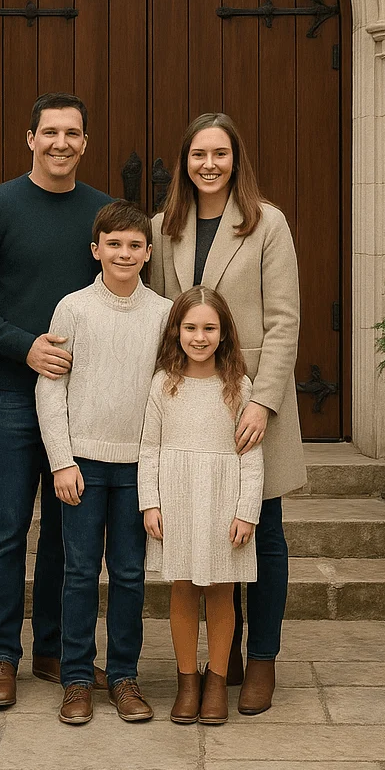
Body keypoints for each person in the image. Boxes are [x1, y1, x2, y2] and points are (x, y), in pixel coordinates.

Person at [0, 93, 112, 711]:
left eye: (72, 133)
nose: (61, 143)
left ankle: (55, 651)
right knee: (8, 526)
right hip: (14, 393)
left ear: (85, 142)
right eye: (50, 133)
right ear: (30, 138)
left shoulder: (101, 215)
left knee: (69, 534)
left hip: (81, 403)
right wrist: (25, 348)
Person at [149, 112, 305, 717]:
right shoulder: (166, 227)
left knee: (260, 527)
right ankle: (223, 656)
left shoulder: (267, 223)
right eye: (197, 155)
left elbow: (284, 319)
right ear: (184, 162)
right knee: (206, 529)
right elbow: (163, 315)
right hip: (191, 402)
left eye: (219, 154)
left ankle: (261, 657)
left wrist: (264, 401)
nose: (208, 165)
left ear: (236, 159)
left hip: (250, 400)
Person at [35, 200, 172, 726]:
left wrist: (158, 472)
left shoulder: (162, 314)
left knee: (130, 573)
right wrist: (62, 461)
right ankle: (76, 677)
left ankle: (123, 676)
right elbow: (52, 388)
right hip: (84, 467)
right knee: (78, 572)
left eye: (134, 245)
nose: (123, 253)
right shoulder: (73, 309)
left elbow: (168, 392)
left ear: (148, 253)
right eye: (113, 244)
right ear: (96, 250)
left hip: (138, 468)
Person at [139, 287, 264, 726]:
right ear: (176, 332)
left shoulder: (239, 386)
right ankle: (187, 682)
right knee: (183, 588)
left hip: (222, 499)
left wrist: (247, 509)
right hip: (176, 498)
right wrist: (149, 503)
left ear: (225, 334)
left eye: (209, 328)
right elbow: (149, 449)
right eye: (190, 327)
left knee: (221, 590)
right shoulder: (162, 383)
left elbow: (252, 454)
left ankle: (216, 682)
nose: (199, 337)